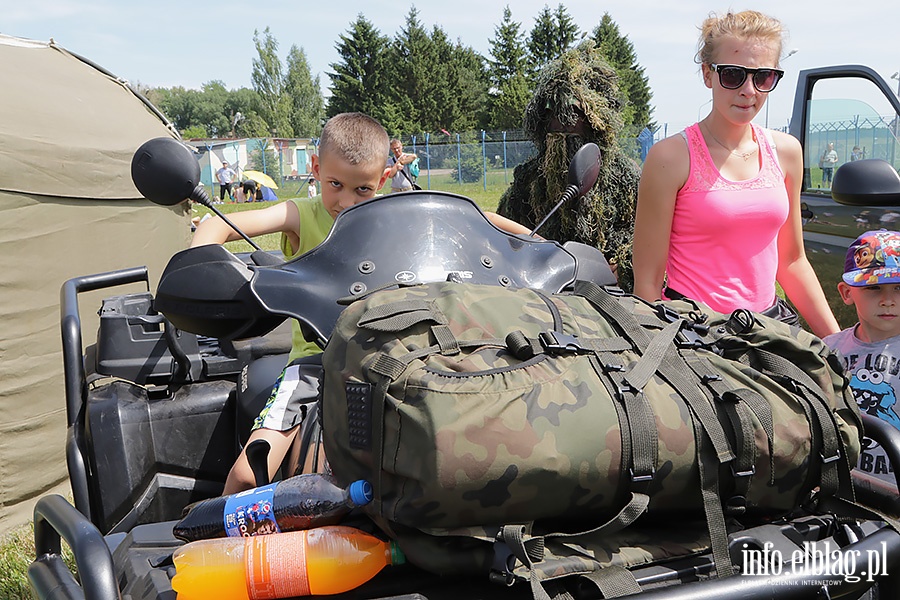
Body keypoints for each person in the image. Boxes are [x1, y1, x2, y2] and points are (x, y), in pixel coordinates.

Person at [193, 112, 533, 493]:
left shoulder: (397, 219)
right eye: (335, 184)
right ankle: (218, 543)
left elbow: (480, 220)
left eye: (363, 190)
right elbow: (216, 224)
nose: (345, 201)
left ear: (383, 180)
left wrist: (540, 247)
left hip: (392, 359)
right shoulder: (300, 215)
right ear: (317, 168)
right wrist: (197, 262)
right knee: (246, 475)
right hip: (315, 363)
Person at [632, 10, 840, 339]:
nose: (749, 90)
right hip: (696, 335)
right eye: (733, 75)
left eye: (764, 77)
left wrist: (838, 345)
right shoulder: (670, 158)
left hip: (770, 331)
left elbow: (791, 261)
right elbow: (647, 281)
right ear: (707, 74)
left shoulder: (786, 152)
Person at [824, 230, 900, 491]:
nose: (888, 300)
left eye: (899, 288)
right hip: (842, 486)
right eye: (874, 287)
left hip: (895, 488)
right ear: (847, 293)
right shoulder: (828, 350)